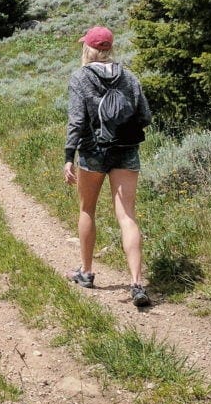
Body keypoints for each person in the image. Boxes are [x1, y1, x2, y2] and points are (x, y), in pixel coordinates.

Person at [63, 25, 153, 308]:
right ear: (110, 48)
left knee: (87, 209)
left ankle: (87, 272)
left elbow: (77, 121)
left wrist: (69, 155)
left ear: (88, 49)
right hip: (126, 151)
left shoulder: (80, 77)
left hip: (93, 152)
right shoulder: (129, 76)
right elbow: (145, 116)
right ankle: (137, 283)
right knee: (127, 215)